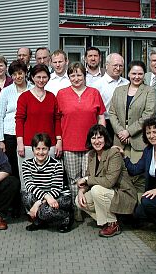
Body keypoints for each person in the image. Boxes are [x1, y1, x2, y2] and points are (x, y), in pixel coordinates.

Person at [56, 62, 106, 208]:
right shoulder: (62, 94)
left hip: (91, 145)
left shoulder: (94, 93)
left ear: (85, 76)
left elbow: (101, 116)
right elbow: (57, 119)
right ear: (68, 77)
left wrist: (101, 138)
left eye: (79, 75)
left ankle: (86, 208)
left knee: (88, 178)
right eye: (72, 75)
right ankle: (75, 208)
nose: (76, 78)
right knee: (72, 179)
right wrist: (59, 140)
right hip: (69, 143)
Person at [76, 124, 137, 237]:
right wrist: (81, 192)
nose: (96, 141)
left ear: (105, 138)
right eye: (93, 138)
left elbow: (109, 182)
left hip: (122, 194)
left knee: (96, 190)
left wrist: (86, 179)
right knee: (79, 201)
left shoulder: (113, 153)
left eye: (100, 137)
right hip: (107, 193)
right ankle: (107, 222)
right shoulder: (92, 154)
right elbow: (88, 178)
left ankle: (113, 224)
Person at [0, 59, 33, 217]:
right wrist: (0, 139)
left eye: (21, 73)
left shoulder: (32, 89)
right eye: (15, 74)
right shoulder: (6, 91)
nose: (18, 76)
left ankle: (27, 204)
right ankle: (13, 205)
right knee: (13, 172)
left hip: (28, 135)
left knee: (27, 171)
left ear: (25, 73)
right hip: (10, 135)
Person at [15, 64, 62, 186]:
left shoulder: (52, 97)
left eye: (44, 77)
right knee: (28, 181)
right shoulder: (24, 97)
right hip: (28, 145)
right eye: (38, 77)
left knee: (48, 181)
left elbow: (57, 120)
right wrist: (20, 142)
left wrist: (59, 141)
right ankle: (28, 204)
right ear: (32, 77)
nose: (41, 80)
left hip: (49, 144)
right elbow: (19, 120)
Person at [21, 133, 73, 233]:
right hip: (45, 196)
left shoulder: (56, 165)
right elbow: (29, 185)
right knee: (26, 196)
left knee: (44, 211)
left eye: (44, 148)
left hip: (59, 196)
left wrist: (38, 203)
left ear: (49, 149)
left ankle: (66, 217)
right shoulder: (26, 164)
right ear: (33, 149)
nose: (40, 152)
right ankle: (39, 222)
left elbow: (56, 189)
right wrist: (45, 198)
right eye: (37, 148)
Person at [93, 53, 129, 139]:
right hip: (105, 123)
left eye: (121, 66)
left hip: (123, 124)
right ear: (107, 65)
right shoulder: (97, 85)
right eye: (115, 65)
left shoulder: (127, 83)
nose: (118, 68)